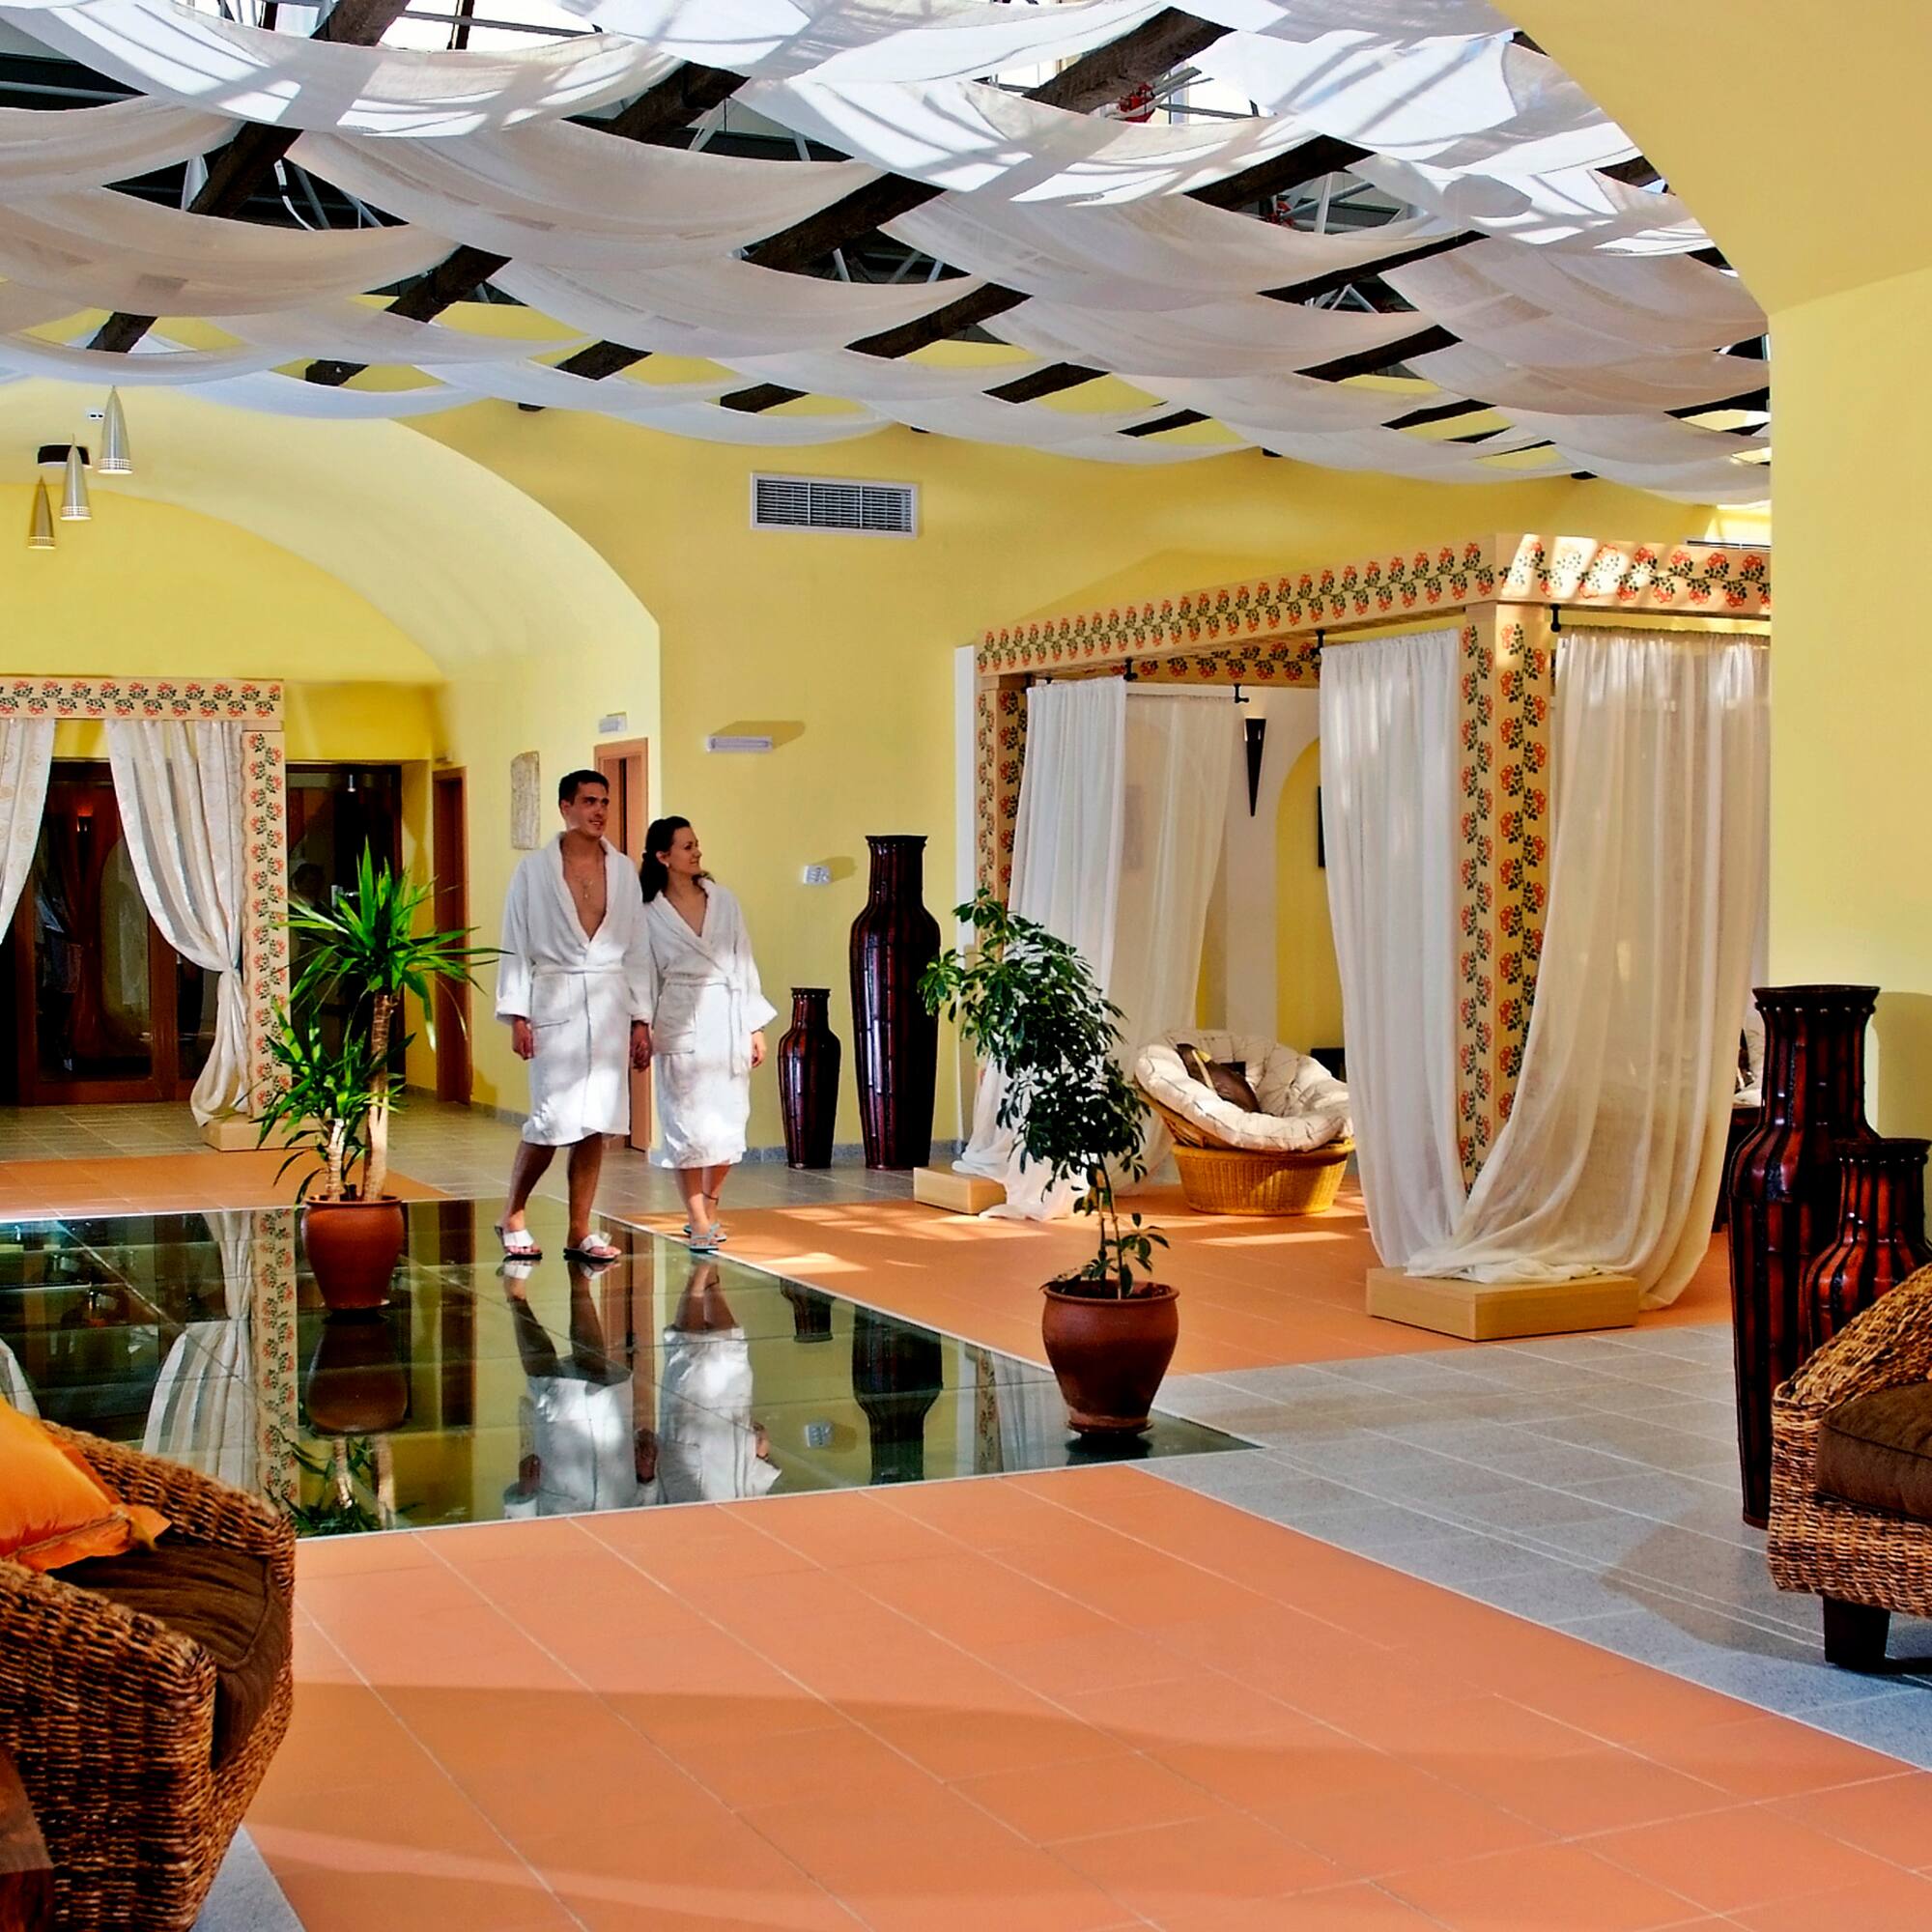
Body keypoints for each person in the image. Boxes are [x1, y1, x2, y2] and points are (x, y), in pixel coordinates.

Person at [496, 771, 655, 1264]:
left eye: (604, 802)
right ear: (565, 806)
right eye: (589, 801)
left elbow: (637, 948)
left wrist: (641, 1018)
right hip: (555, 999)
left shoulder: (623, 870)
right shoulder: (533, 871)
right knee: (550, 1119)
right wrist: (518, 1013)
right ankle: (513, 1214)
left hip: (608, 1002)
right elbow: (515, 941)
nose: (599, 810)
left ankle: (579, 1230)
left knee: (597, 1124)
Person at [638, 817, 775, 1253]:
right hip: (680, 1017)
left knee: (728, 1125)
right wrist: (641, 1025)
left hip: (728, 1016)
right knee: (687, 1126)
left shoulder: (723, 901)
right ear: (663, 857)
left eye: (696, 844)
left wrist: (754, 1025)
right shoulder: (648, 912)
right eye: (686, 846)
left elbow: (744, 960)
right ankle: (697, 1219)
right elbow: (642, 974)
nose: (696, 852)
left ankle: (710, 1206)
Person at [644, 1258, 780, 1504]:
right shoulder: (745, 1525)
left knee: (690, 1350)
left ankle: (700, 1263)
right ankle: (708, 1260)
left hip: (689, 1439)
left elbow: (647, 1502)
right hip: (735, 1434)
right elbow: (757, 1495)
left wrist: (645, 1474)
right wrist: (762, 1456)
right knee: (731, 1345)